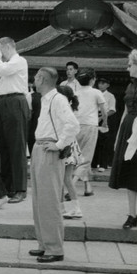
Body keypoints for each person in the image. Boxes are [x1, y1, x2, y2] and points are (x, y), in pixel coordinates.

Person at [29, 67, 79, 263]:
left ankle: (55, 248)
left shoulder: (57, 99)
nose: (34, 79)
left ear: (41, 79)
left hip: (49, 149)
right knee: (40, 200)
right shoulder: (46, 99)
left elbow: (72, 125)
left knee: (49, 201)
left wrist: (58, 145)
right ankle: (44, 244)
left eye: (36, 77)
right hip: (40, 147)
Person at [109, 49, 137, 230]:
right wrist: (118, 137)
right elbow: (125, 110)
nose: (127, 68)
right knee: (130, 171)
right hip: (128, 129)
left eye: (130, 65)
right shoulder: (130, 85)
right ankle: (132, 214)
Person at [0, 37, 29, 203]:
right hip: (4, 101)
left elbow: (2, 71)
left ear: (6, 47)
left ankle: (20, 188)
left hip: (16, 101)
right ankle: (6, 188)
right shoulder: (4, 65)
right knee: (3, 146)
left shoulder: (19, 61)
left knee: (17, 146)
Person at [72, 68, 107, 197]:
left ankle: (88, 187)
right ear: (92, 80)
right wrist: (105, 122)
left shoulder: (75, 93)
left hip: (76, 126)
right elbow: (104, 110)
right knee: (85, 159)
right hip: (90, 125)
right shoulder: (96, 92)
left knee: (77, 157)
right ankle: (71, 186)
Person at [56, 85, 84, 219]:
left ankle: (66, 208)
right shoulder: (70, 108)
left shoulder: (63, 109)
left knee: (63, 179)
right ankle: (73, 208)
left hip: (65, 146)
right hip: (70, 147)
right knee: (65, 179)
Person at [91, 78, 117, 172]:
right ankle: (93, 163)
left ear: (107, 85)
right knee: (94, 141)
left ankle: (103, 164)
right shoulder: (94, 93)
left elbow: (112, 110)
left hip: (105, 118)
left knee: (104, 142)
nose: (100, 85)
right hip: (93, 117)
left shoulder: (110, 96)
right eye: (99, 83)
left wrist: (102, 118)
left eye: (103, 83)